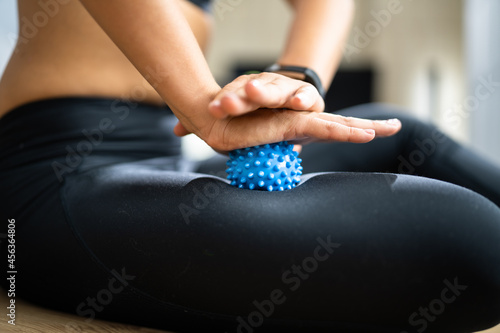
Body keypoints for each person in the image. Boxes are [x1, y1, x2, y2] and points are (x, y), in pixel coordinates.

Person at [0, 0, 499, 332]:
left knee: (404, 132)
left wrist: (297, 80)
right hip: (55, 173)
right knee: (474, 242)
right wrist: (199, 103)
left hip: (164, 162)